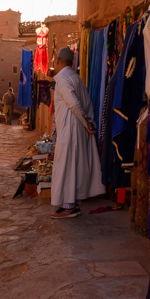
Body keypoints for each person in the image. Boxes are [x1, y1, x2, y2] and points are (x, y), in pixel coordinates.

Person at [50, 47, 105, 218]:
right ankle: (70, 203)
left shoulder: (63, 79)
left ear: (58, 60)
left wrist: (85, 122)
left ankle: (69, 205)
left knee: (67, 166)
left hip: (70, 129)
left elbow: (73, 103)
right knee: (74, 165)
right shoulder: (76, 78)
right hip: (76, 128)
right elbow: (87, 103)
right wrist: (88, 121)